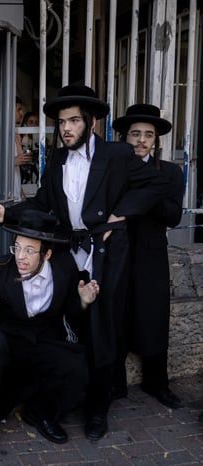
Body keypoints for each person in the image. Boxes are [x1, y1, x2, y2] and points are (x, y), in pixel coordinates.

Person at [0, 85, 169, 441]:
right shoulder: (56, 160)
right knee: (65, 326)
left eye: (73, 120)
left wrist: (119, 215)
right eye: (61, 122)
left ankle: (98, 412)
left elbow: (155, 186)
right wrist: (7, 212)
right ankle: (58, 402)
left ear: (91, 122)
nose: (66, 128)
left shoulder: (116, 154)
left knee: (103, 330)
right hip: (69, 252)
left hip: (106, 254)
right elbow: (44, 203)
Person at [0, 210, 99, 455]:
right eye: (17, 248)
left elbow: (70, 309)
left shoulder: (64, 267)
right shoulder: (0, 267)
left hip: (44, 336)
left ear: (48, 253)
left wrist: (84, 301)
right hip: (8, 336)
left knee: (75, 366)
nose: (20, 257)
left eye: (30, 251)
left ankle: (41, 413)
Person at [111, 104, 184, 409]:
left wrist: (147, 189)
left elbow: (173, 217)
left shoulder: (169, 172)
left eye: (148, 135)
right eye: (135, 133)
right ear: (125, 137)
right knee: (114, 316)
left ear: (156, 140)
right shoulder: (112, 171)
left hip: (152, 257)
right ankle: (113, 384)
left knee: (154, 317)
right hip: (118, 254)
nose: (141, 140)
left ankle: (158, 383)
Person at [0, 97, 32, 201]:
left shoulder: (13, 135)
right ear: (7, 110)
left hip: (14, 197)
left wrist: (21, 194)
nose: (21, 113)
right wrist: (12, 161)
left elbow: (14, 172)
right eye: (19, 109)